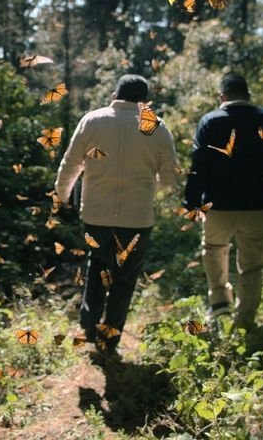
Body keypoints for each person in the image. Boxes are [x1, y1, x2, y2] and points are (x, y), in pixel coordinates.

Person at [55, 74, 179, 356]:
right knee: (124, 280)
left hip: (96, 216)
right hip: (137, 219)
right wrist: (147, 188)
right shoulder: (157, 128)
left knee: (97, 269)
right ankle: (109, 341)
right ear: (144, 101)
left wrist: (62, 196)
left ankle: (89, 326)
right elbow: (171, 180)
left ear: (115, 94)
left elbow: (70, 163)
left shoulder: (92, 120)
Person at [183, 73, 263, 329]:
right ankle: (244, 320)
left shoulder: (209, 122)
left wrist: (192, 202)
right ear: (248, 95)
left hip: (217, 205)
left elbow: (198, 166)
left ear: (221, 96)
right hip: (258, 204)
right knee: (252, 265)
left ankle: (220, 306)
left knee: (214, 251)